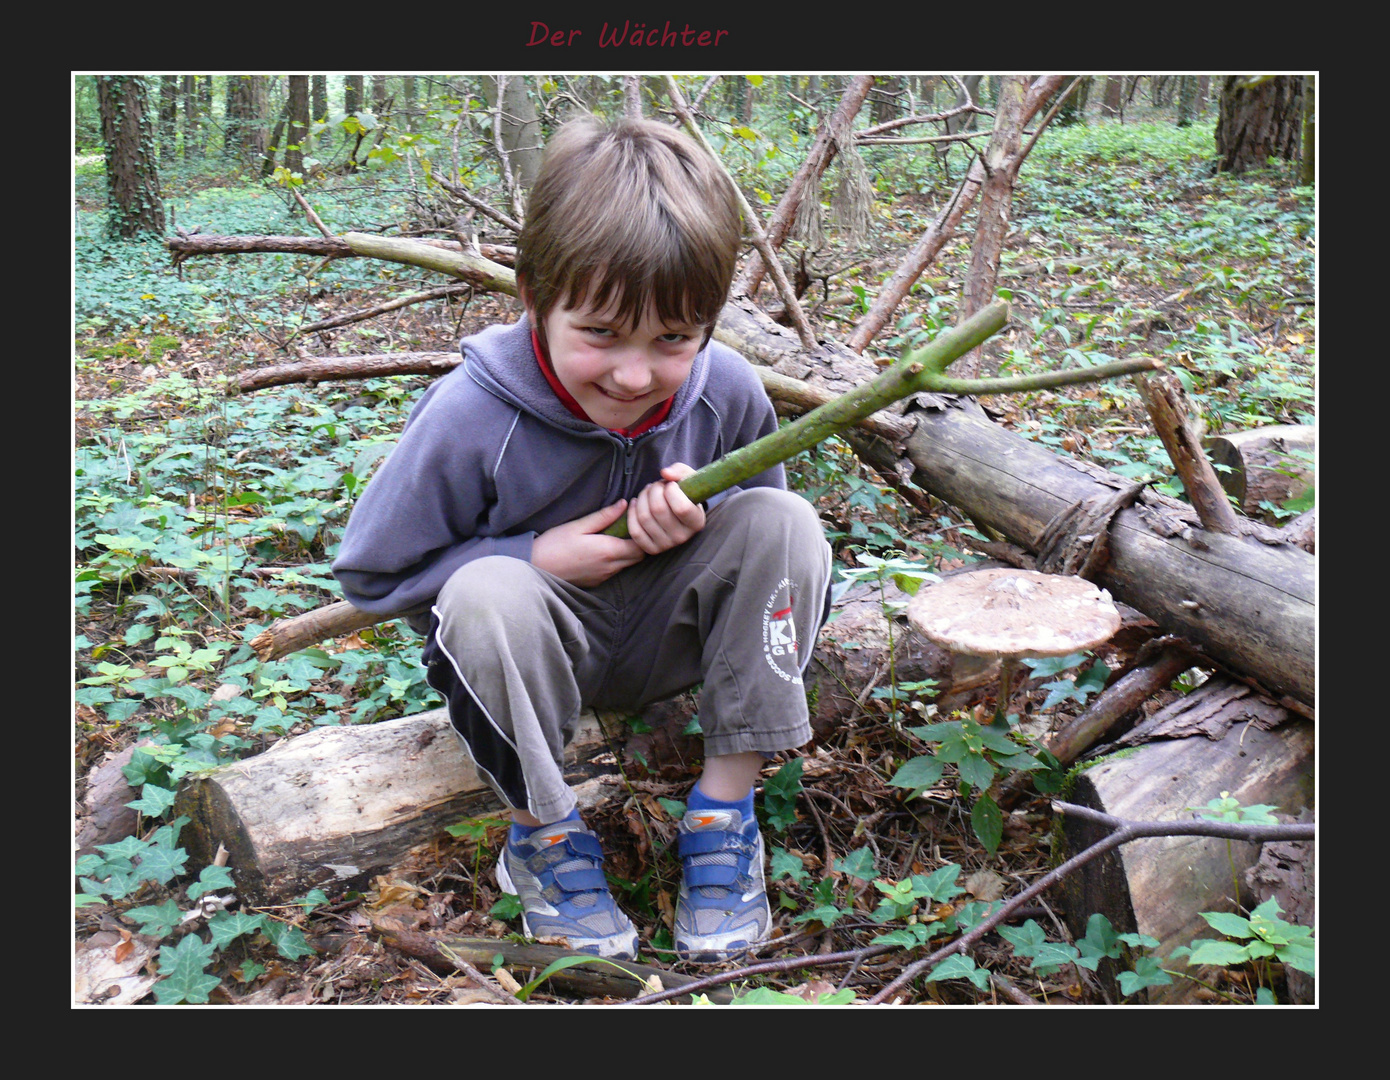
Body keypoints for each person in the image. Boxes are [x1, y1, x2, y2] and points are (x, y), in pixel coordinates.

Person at [332, 115, 832, 962]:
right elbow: (374, 577)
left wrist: (697, 525)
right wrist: (531, 557)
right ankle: (544, 839)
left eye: (674, 339)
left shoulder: (728, 392)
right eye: (600, 333)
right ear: (533, 295)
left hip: (670, 644)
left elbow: (769, 567)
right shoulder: (471, 414)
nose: (634, 374)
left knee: (784, 521)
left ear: (710, 320)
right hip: (537, 663)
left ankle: (722, 815)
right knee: (487, 591)